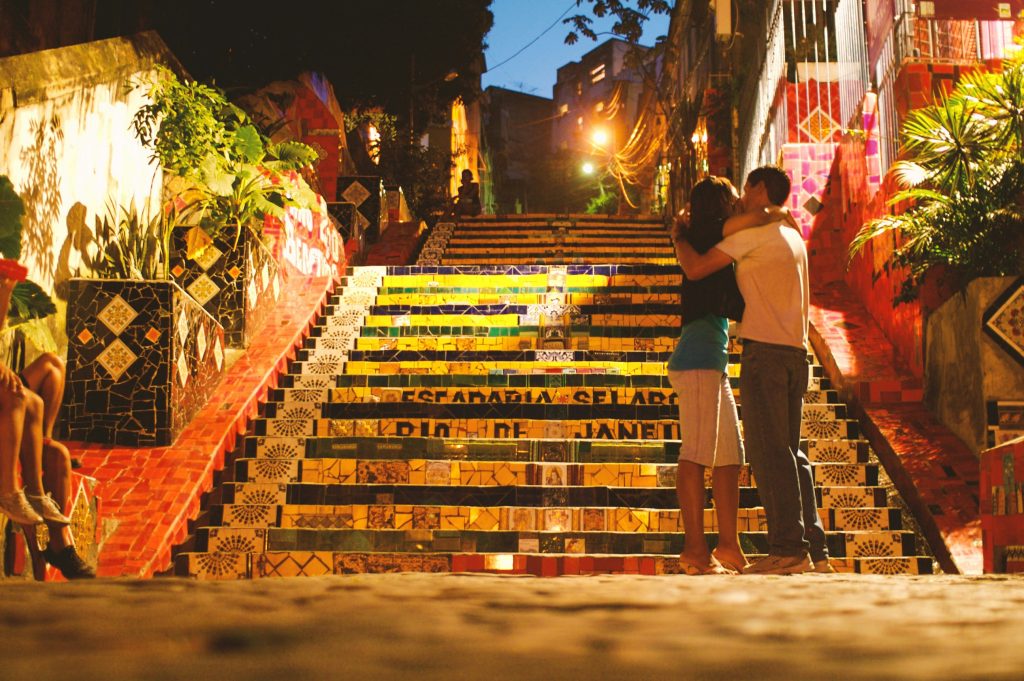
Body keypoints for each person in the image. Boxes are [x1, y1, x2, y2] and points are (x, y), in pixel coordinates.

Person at [673, 166, 832, 576]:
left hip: (759, 355)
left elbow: (698, 265)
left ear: (760, 189)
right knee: (786, 454)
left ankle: (777, 547)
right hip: (784, 355)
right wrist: (775, 213)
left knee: (759, 453)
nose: (741, 197)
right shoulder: (791, 234)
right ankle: (808, 549)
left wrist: (678, 234)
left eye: (746, 188)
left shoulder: (748, 234)